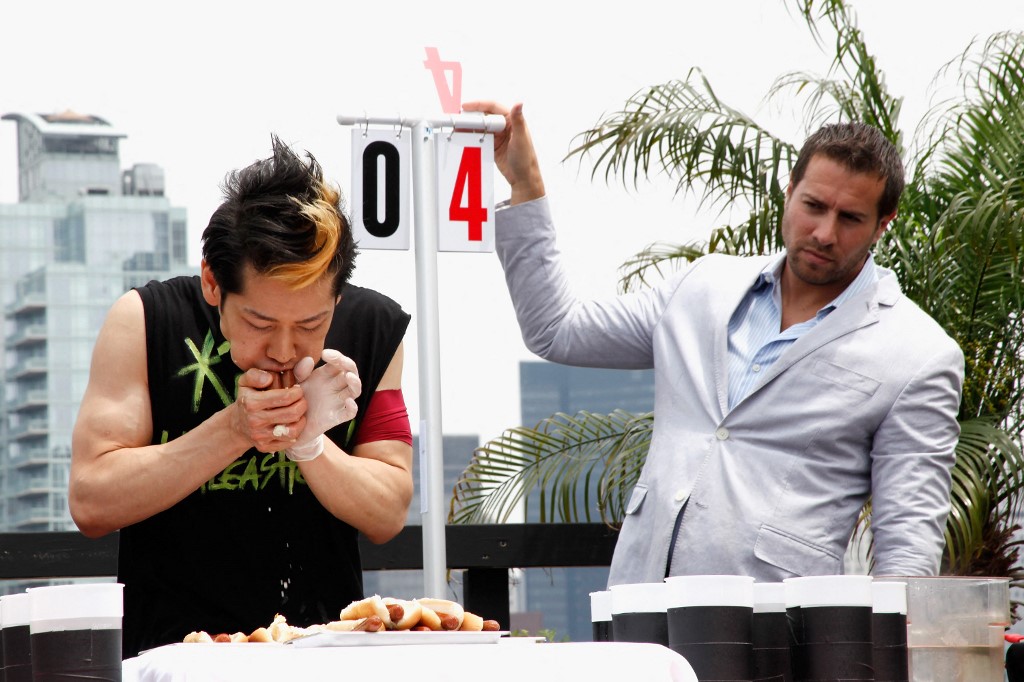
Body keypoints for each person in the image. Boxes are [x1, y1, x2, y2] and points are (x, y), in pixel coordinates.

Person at [464, 100, 965, 585]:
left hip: (778, 634)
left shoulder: (916, 354)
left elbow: (907, 550)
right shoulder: (702, 288)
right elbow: (557, 330)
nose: (824, 233)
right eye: (813, 206)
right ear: (789, 191)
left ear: (884, 223)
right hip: (641, 608)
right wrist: (525, 185)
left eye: (850, 218)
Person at [69, 136, 414, 657]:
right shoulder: (146, 320)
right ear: (213, 282)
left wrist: (312, 445)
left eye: (311, 323)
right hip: (172, 658)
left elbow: (388, 511)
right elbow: (91, 499)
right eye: (259, 321)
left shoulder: (374, 329)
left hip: (327, 659)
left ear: (338, 296)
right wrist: (234, 429)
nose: (282, 347)